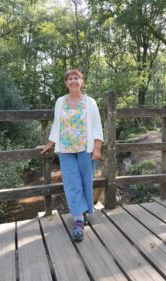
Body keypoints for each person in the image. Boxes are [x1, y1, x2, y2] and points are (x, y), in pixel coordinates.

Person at [37, 69, 103, 241]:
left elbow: (97, 126)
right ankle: (79, 220)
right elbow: (57, 125)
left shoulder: (90, 102)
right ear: (66, 83)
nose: (73, 81)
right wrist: (49, 144)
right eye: (69, 79)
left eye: (76, 78)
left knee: (85, 182)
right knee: (72, 183)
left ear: (81, 82)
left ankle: (84, 210)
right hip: (66, 150)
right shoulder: (60, 101)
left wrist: (97, 148)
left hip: (85, 149)